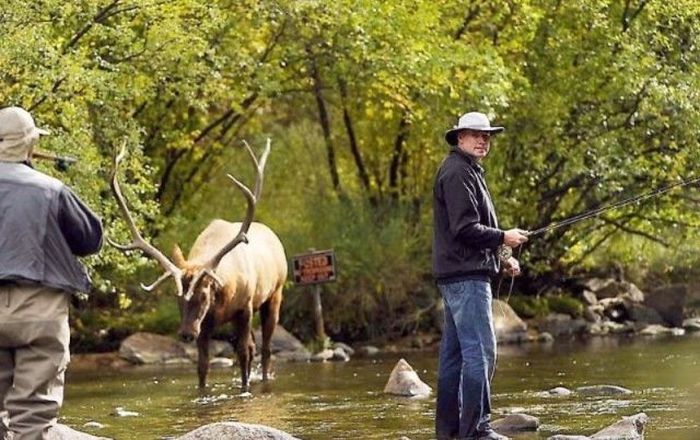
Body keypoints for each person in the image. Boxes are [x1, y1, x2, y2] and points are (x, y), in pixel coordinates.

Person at [0, 106, 103, 440]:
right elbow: (90, 239)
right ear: (30, 145)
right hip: (39, 312)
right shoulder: (51, 190)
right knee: (31, 416)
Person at [432, 111, 528, 440]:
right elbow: (464, 229)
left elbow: (478, 223)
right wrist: (503, 237)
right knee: (481, 352)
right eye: (476, 135)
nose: (483, 140)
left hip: (458, 274)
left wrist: (504, 255)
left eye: (487, 136)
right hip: (465, 277)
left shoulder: (469, 170)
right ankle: (476, 430)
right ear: (460, 137)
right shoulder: (458, 172)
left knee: (455, 357)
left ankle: (449, 433)